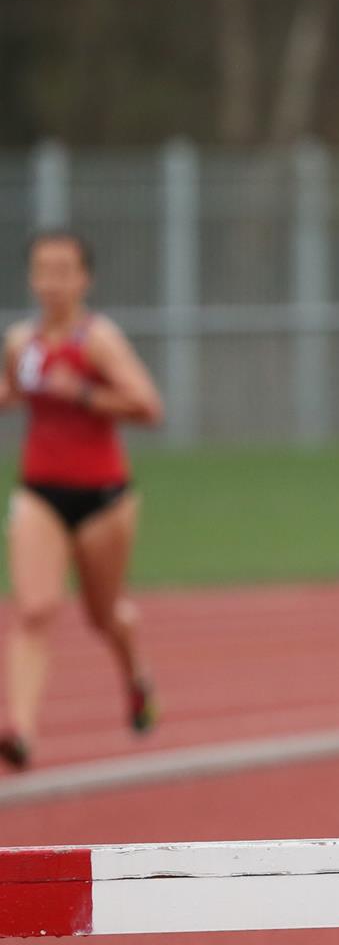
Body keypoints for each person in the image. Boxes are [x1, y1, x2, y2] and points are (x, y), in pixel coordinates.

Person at [0, 230, 165, 769]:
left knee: (103, 615)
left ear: (84, 279)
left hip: (102, 498)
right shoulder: (20, 342)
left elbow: (148, 406)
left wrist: (85, 394)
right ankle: (21, 731)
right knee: (34, 609)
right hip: (39, 491)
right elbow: (13, 393)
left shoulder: (99, 340)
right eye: (43, 271)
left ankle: (135, 671)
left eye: (63, 271)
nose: (52, 282)